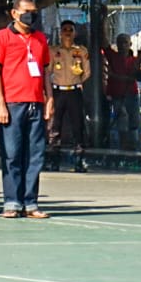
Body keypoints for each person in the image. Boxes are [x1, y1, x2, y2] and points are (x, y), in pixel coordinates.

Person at [0, 0, 54, 219]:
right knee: (12, 154)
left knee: (35, 154)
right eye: (27, 11)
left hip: (35, 102)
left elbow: (45, 71)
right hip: (12, 103)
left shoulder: (40, 38)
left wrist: (49, 99)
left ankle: (30, 202)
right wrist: (0, 103)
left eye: (34, 12)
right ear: (14, 13)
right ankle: (12, 201)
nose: (31, 16)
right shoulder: (2, 37)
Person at [48, 20, 91, 172]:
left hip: (74, 91)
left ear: (75, 33)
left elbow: (86, 72)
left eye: (70, 30)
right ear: (60, 33)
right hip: (58, 91)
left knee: (78, 126)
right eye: (64, 30)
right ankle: (54, 160)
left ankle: (79, 160)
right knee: (55, 126)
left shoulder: (81, 51)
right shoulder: (53, 51)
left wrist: (76, 81)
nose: (67, 32)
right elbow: (48, 71)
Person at [102, 33, 141, 152]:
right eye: (120, 42)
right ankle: (124, 146)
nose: (122, 45)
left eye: (125, 42)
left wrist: (114, 76)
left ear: (130, 44)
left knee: (134, 120)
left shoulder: (134, 60)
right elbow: (104, 44)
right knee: (122, 118)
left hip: (132, 94)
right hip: (117, 95)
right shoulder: (113, 56)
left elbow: (134, 77)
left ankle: (134, 146)